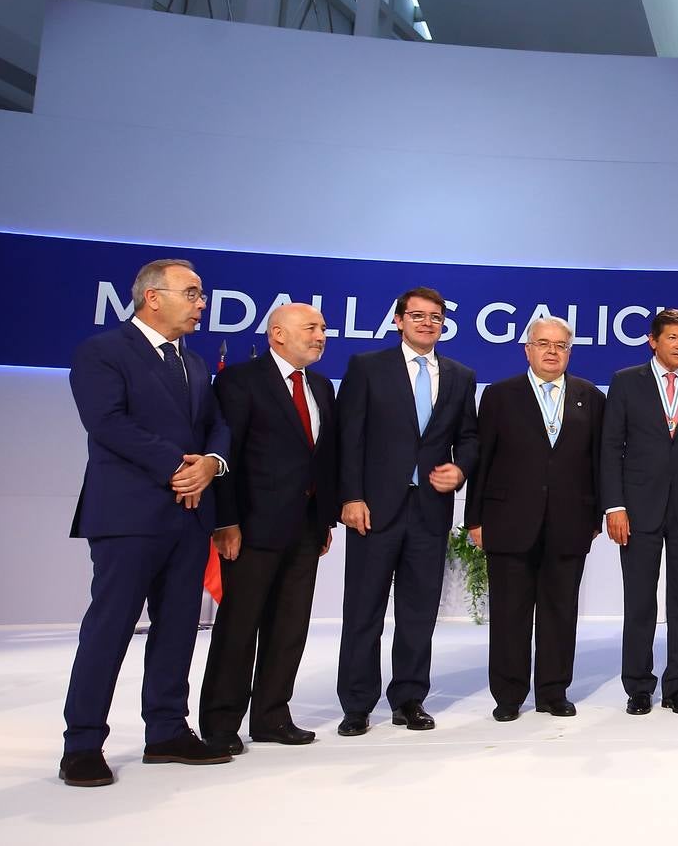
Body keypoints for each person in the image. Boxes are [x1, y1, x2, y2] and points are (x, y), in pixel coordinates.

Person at [60, 259, 233, 787]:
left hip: (189, 515)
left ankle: (166, 732)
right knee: (109, 629)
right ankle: (83, 744)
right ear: (152, 298)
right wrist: (178, 466)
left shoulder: (196, 363)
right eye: (193, 293)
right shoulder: (103, 352)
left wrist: (212, 463)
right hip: (129, 515)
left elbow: (216, 426)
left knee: (179, 628)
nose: (202, 303)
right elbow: (107, 423)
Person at [334, 286, 478, 737]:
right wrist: (350, 496)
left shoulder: (459, 375)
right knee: (364, 610)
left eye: (435, 317)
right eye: (417, 315)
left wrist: (460, 468)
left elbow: (470, 437)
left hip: (429, 512)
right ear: (399, 320)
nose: (427, 323)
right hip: (373, 510)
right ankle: (356, 705)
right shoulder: (367, 368)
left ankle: (409, 698)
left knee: (418, 612)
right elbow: (348, 437)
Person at [198, 303, 340, 756]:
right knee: (239, 627)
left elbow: (322, 458)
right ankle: (221, 723)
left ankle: (272, 716)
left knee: (289, 626)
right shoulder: (239, 381)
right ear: (277, 334)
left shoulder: (320, 385)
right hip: (251, 529)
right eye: (311, 328)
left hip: (304, 529)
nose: (321, 335)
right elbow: (226, 457)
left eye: (322, 329)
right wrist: (225, 520)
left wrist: (324, 518)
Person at [467, 317, 604, 722]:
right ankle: (508, 695)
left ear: (569, 352)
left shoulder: (590, 397)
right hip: (508, 521)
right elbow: (483, 460)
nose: (551, 351)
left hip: (570, 522)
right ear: (527, 349)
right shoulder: (499, 395)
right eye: (543, 344)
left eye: (560, 345)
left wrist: (595, 516)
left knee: (560, 611)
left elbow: (598, 463)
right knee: (510, 612)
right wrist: (475, 518)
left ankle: (553, 691)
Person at [602, 309, 678, 715]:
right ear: (653, 341)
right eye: (672, 338)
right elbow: (611, 447)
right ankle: (638, 686)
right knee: (640, 602)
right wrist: (614, 505)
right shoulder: (626, 382)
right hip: (637, 509)